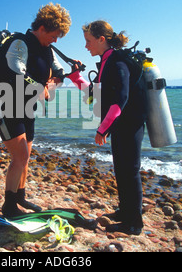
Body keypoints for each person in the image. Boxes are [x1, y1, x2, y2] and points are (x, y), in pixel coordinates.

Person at [68, 20, 147, 235]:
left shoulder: (117, 62)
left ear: (102, 39)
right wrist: (76, 77)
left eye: (88, 41)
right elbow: (96, 95)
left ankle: (134, 223)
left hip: (130, 123)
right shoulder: (106, 61)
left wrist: (102, 128)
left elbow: (121, 98)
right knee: (121, 168)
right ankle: (124, 211)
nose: (86, 46)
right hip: (119, 124)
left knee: (130, 170)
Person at [0, 3, 71, 218]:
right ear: (43, 27)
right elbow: (17, 71)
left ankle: (20, 197)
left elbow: (60, 72)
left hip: (27, 108)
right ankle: (9, 207)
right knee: (20, 156)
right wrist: (40, 87)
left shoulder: (48, 50)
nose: (55, 41)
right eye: (54, 35)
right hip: (6, 106)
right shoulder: (20, 43)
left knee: (25, 157)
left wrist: (52, 84)